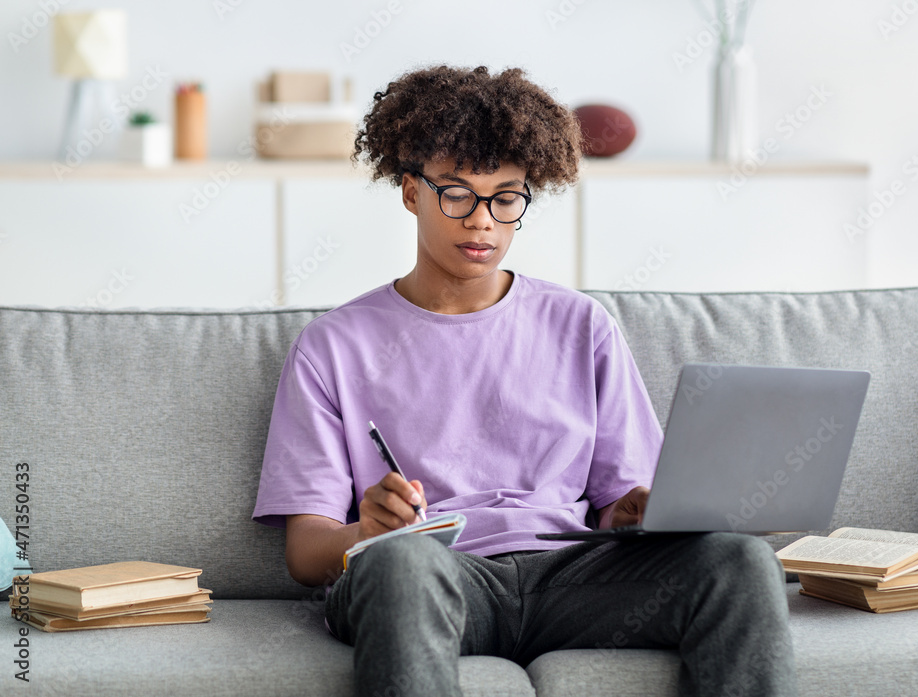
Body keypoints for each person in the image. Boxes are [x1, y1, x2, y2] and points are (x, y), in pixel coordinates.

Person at [252, 64, 796, 697]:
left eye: (506, 197)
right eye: (456, 192)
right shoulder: (332, 346)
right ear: (410, 192)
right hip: (434, 577)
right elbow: (306, 555)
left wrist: (635, 511)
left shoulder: (581, 325)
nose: (482, 220)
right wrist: (369, 530)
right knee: (400, 566)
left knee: (739, 562)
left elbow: (620, 504)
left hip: (575, 578)